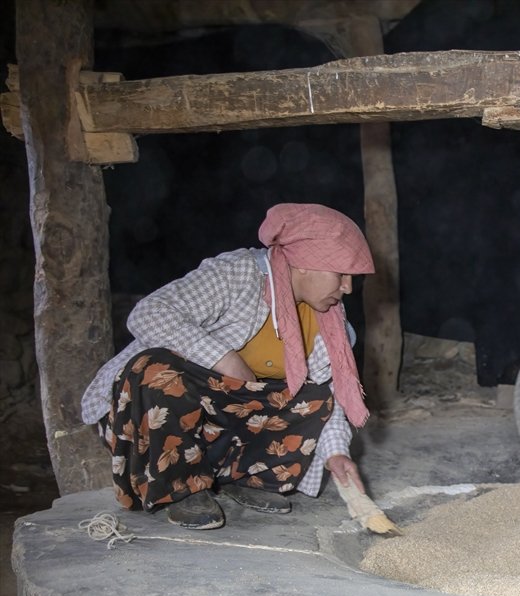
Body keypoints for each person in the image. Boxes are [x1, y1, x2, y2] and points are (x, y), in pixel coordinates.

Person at [80, 203, 375, 529]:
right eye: (341, 274)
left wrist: (337, 455)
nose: (347, 287)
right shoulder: (238, 274)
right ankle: (182, 488)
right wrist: (225, 360)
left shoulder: (330, 318)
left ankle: (244, 477)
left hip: (225, 419)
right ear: (306, 264)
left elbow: (329, 394)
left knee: (315, 399)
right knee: (156, 370)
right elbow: (148, 313)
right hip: (152, 415)